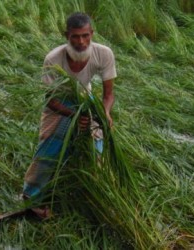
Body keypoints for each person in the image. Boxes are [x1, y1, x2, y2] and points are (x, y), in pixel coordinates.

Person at [22, 12, 117, 219]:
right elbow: (50, 100)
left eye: (85, 36)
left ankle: (90, 192)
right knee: (51, 146)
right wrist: (74, 115)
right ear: (67, 35)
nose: (81, 42)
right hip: (60, 102)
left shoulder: (104, 54)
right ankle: (32, 197)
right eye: (75, 36)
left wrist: (104, 114)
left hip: (85, 97)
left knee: (96, 145)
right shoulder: (53, 58)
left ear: (92, 33)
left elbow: (108, 95)